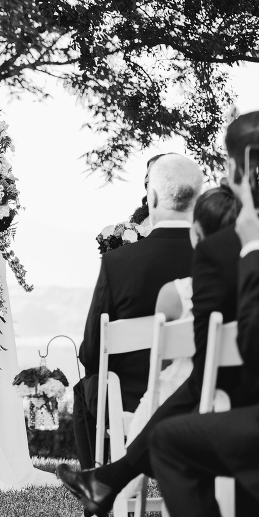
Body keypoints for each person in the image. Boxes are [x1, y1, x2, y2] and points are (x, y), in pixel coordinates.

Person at [58, 112, 259, 517]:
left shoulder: (218, 253)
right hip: (244, 406)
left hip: (237, 412)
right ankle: (106, 480)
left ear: (232, 171)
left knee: (172, 438)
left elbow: (92, 352)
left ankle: (107, 478)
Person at [147, 170, 259, 517]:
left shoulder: (213, 264)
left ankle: (114, 476)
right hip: (249, 401)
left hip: (226, 402)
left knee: (171, 437)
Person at [72, 153, 202, 469]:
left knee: (83, 388)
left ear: (152, 196)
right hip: (200, 397)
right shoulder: (219, 259)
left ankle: (98, 497)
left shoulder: (118, 263)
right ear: (198, 200)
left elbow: (90, 352)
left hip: (128, 402)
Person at [125, 185, 242, 442]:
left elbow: (161, 363)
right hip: (242, 402)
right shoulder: (254, 289)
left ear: (196, 233)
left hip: (178, 404)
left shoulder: (174, 294)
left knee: (158, 395)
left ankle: (121, 478)